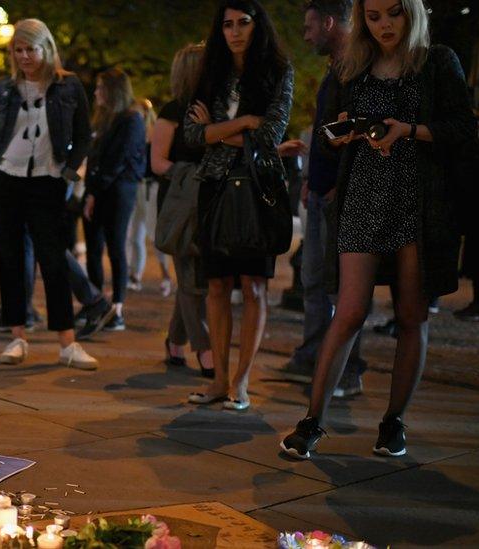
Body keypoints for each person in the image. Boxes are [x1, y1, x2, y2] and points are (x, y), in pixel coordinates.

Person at [281, 0, 477, 459]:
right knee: (348, 311)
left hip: (417, 201)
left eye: (393, 13)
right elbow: (331, 134)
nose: (384, 24)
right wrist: (342, 132)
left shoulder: (436, 60)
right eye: (373, 16)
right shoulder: (356, 64)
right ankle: (312, 421)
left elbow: (462, 128)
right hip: (364, 197)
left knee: (412, 315)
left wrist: (407, 130)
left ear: (412, 13)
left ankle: (393, 423)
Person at [183, 0, 294, 409]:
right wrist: (247, 123)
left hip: (257, 187)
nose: (235, 31)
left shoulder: (278, 71)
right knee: (215, 284)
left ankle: (242, 384)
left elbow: (271, 135)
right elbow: (191, 137)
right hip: (213, 185)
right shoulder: (211, 72)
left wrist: (218, 131)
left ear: (257, 24)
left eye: (243, 22)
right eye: (227, 24)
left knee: (253, 286)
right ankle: (219, 381)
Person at [0, 18, 98, 369]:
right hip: (5, 178)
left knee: (54, 260)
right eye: (18, 49)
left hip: (47, 181)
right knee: (10, 260)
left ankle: (67, 343)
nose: (25, 56)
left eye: (31, 48)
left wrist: (70, 174)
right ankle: (18, 337)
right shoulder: (3, 89)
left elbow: (85, 135)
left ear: (47, 48)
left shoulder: (69, 86)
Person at [267, 0, 369, 397]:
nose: (306, 34)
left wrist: (334, 184)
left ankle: (347, 370)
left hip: (338, 196)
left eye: (310, 26)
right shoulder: (336, 69)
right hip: (322, 192)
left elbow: (353, 135)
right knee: (313, 281)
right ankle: (312, 357)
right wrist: (312, 178)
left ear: (329, 23)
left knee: (342, 289)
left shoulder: (356, 68)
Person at [151, 43, 215, 378]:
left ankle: (174, 341)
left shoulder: (215, 109)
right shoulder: (173, 110)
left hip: (208, 201)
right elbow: (157, 162)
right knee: (191, 277)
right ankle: (204, 348)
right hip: (180, 203)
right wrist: (189, 174)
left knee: (193, 274)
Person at [83, 69, 146, 331]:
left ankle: (117, 308)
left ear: (113, 90)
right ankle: (96, 302)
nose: (96, 92)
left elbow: (117, 160)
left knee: (116, 246)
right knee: (94, 248)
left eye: (100, 88)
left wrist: (95, 193)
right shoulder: (103, 119)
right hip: (98, 189)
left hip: (118, 192)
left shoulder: (131, 119)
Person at [126, 100, 173, 297]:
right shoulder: (132, 134)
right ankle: (135, 275)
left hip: (151, 187)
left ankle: (165, 276)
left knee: (155, 234)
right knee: (134, 234)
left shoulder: (155, 133)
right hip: (136, 185)